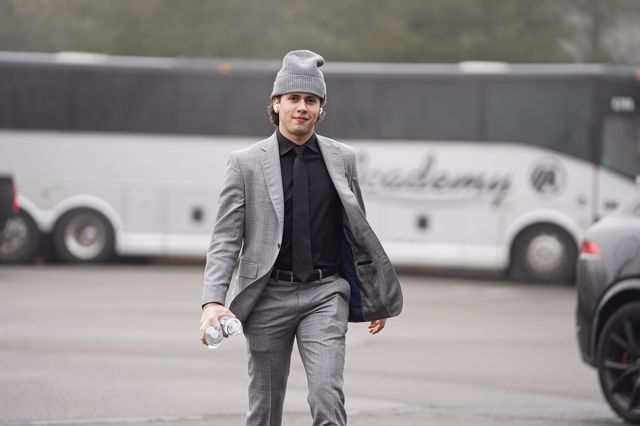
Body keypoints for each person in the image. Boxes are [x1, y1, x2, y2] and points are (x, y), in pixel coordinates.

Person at [199, 49, 403, 426]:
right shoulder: (244, 163)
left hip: (325, 294)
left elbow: (356, 233)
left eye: (311, 100)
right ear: (276, 103)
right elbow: (225, 238)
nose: (302, 107)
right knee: (264, 409)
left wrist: (374, 296)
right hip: (267, 297)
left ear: (321, 108)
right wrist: (212, 301)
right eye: (293, 98)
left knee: (327, 396)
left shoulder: (343, 159)